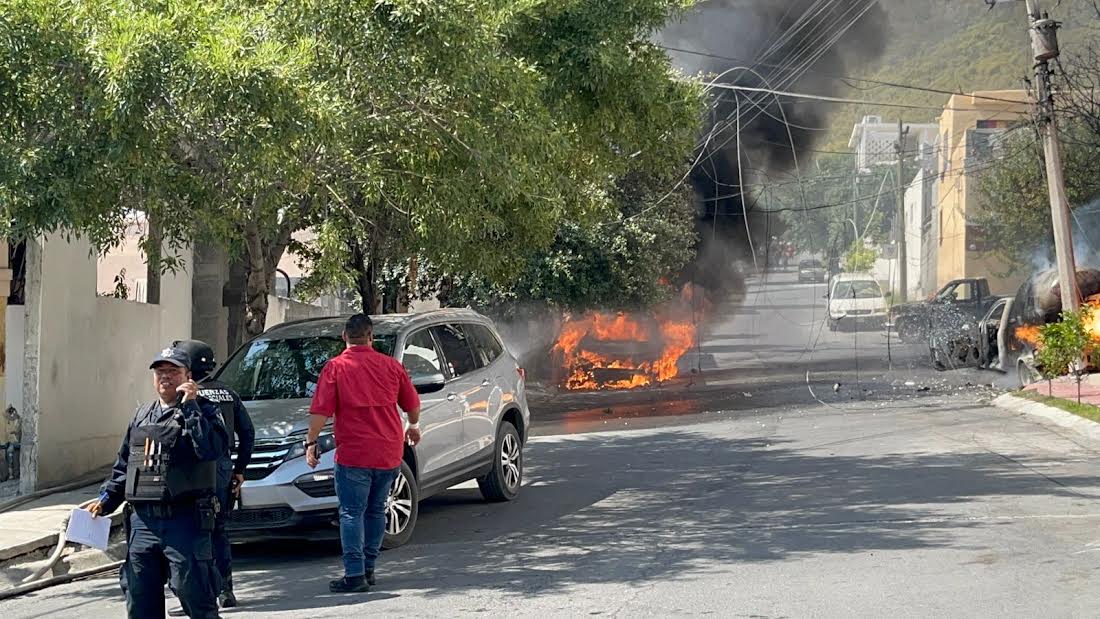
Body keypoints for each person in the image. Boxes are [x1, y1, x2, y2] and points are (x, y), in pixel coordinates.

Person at [86, 348, 228, 619]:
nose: (165, 377)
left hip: (185, 520)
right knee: (140, 601)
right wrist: (106, 499)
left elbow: (212, 450)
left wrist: (191, 406)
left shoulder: (206, 411)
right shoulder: (142, 415)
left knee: (195, 596)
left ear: (188, 377)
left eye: (173, 371)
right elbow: (125, 465)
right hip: (143, 522)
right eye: (160, 372)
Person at [305, 313, 422, 593]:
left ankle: (355, 574)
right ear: (371, 337)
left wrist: (311, 442)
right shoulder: (391, 366)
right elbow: (412, 404)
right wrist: (414, 426)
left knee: (351, 512)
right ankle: (369, 567)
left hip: (355, 453)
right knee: (376, 509)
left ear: (344, 336)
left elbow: (321, 410)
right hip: (389, 452)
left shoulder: (335, 368)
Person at [171, 339, 255, 609]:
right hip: (222, 467)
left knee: (193, 530)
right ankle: (225, 590)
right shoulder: (229, 394)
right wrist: (240, 470)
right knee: (218, 529)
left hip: (194, 470)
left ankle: (199, 593)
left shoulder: (186, 395)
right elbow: (248, 433)